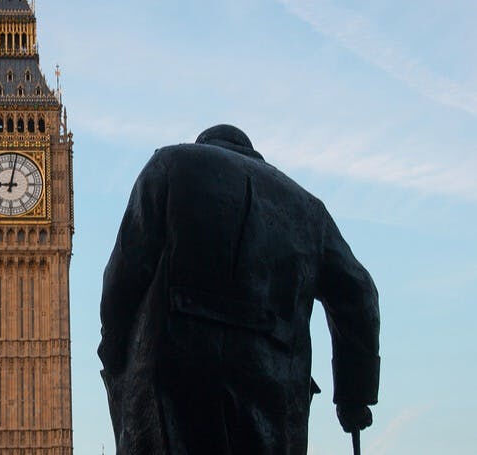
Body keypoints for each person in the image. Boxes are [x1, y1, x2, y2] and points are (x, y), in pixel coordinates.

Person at [98, 125, 380, 454]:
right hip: (274, 385)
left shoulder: (171, 163)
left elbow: (126, 269)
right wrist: (354, 397)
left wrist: (114, 348)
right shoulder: (309, 210)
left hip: (177, 375)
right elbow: (359, 294)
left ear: (205, 144)